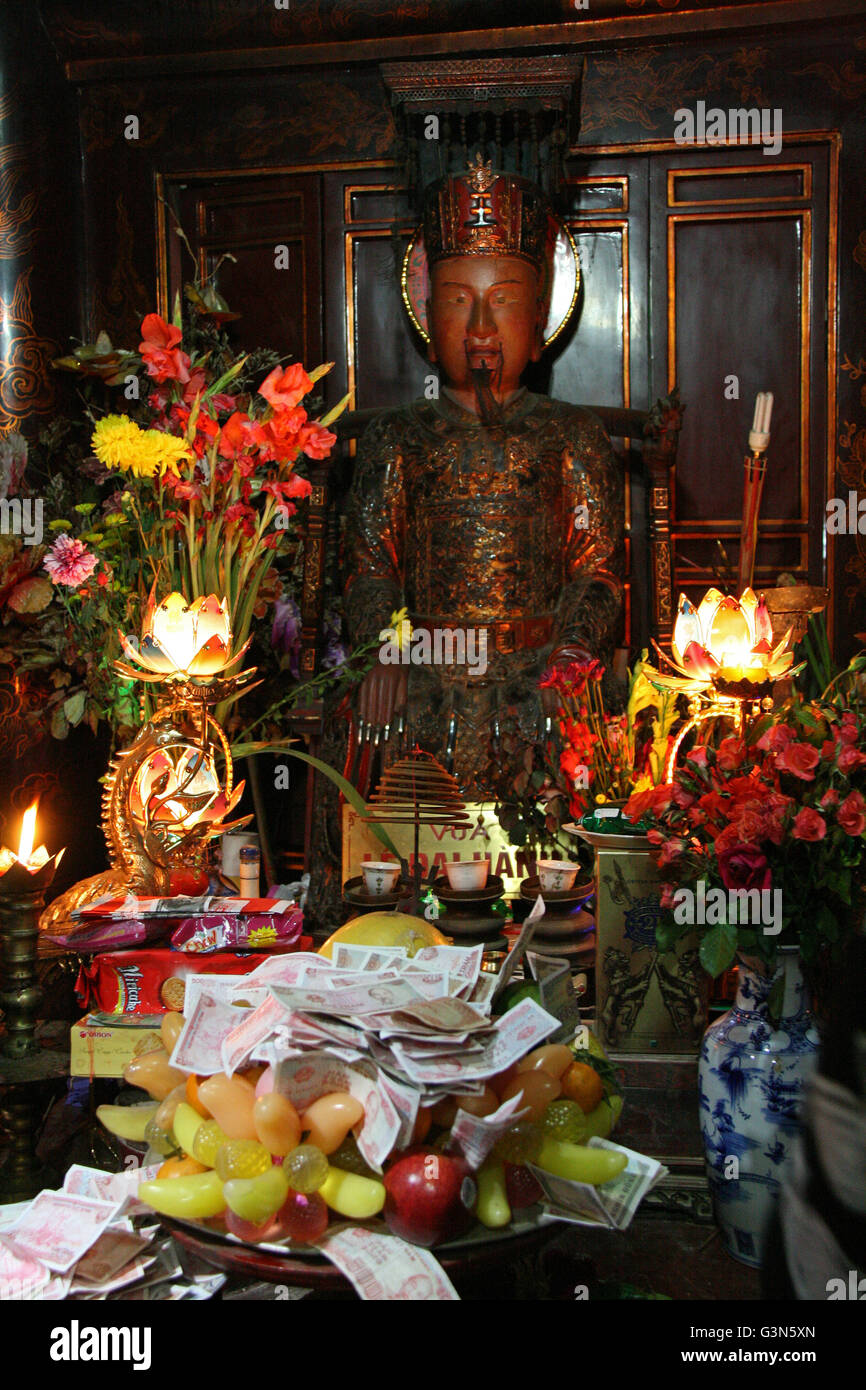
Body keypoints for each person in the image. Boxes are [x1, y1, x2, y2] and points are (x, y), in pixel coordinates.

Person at [308, 156, 624, 930]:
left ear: (537, 318)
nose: (481, 329)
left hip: (537, 661)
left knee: (586, 721)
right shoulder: (399, 438)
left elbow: (599, 569)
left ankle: (566, 916)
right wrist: (386, 648)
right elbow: (370, 565)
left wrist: (571, 658)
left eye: (502, 303)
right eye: (459, 302)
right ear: (428, 314)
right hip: (426, 664)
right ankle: (379, 914)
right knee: (359, 715)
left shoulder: (569, 435)